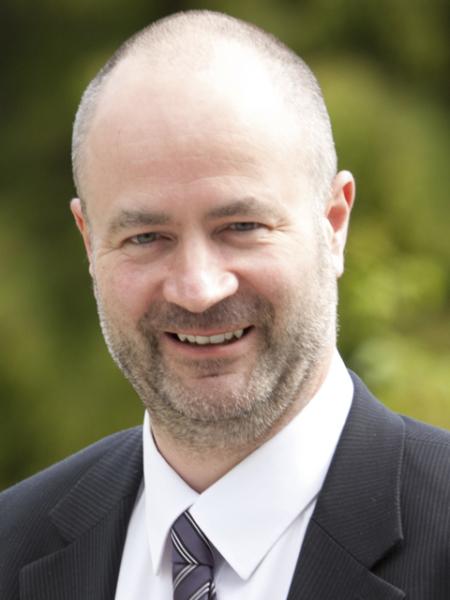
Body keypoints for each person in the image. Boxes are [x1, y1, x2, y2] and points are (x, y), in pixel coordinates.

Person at [1, 10, 449, 600]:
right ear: (90, 243)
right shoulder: (11, 546)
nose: (197, 288)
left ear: (334, 222)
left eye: (241, 226)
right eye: (146, 237)